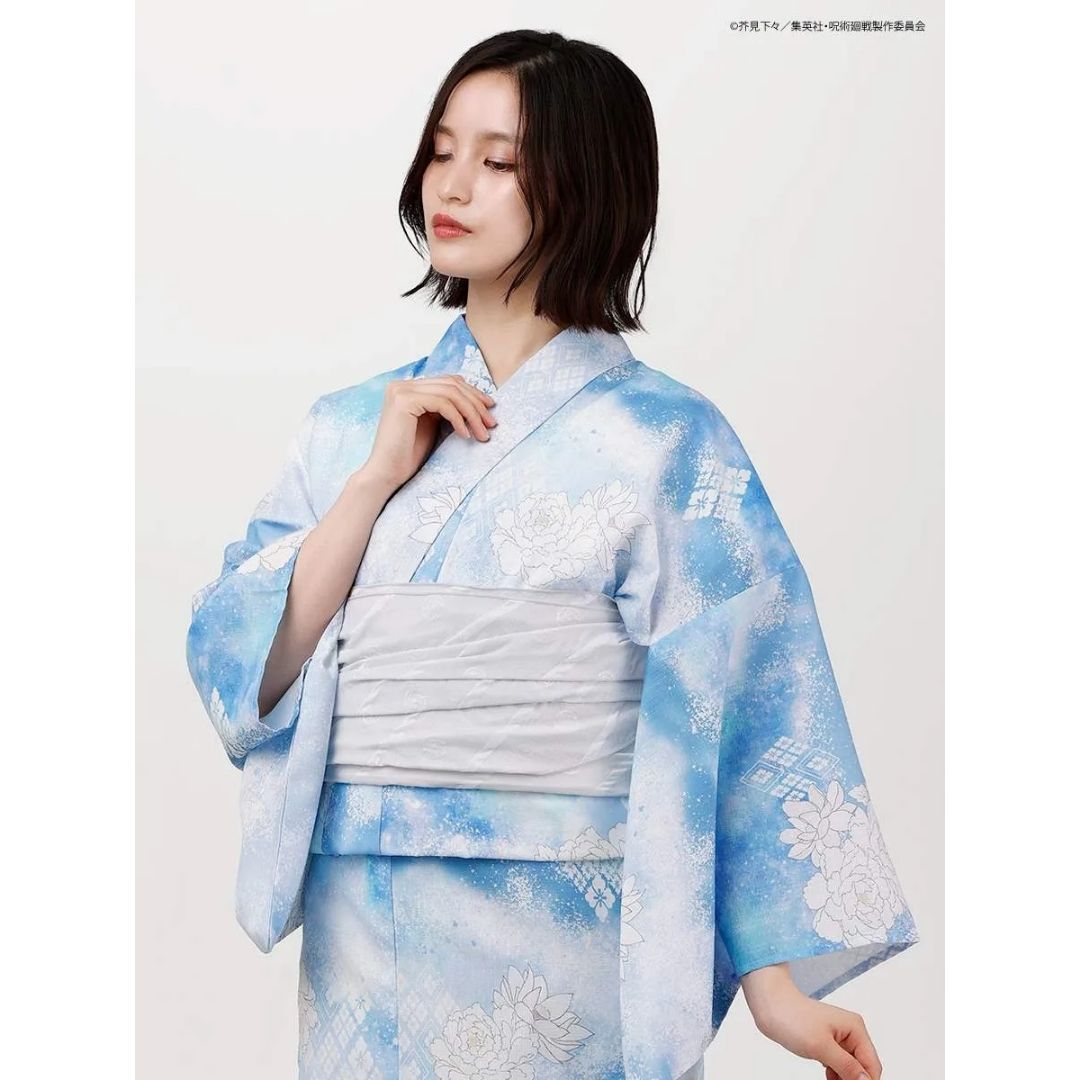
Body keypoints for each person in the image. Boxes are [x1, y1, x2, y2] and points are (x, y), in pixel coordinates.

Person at [185, 29, 920, 1080]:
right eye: (442, 151)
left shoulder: (666, 440)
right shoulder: (348, 429)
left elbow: (748, 695)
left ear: (585, 187)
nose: (453, 186)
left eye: (499, 162)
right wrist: (370, 485)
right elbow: (241, 663)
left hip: (564, 925)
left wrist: (776, 985)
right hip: (363, 923)